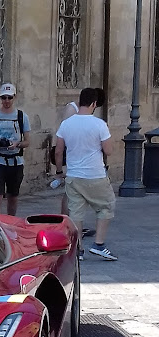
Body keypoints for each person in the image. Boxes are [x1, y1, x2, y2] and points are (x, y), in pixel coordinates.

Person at [55, 87, 117, 261]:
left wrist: (60, 171)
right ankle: (99, 244)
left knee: (76, 211)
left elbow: (58, 151)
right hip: (95, 174)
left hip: (73, 175)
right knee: (106, 206)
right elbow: (109, 150)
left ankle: (78, 249)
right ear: (94, 104)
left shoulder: (66, 124)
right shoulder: (99, 124)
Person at [54, 88, 105, 234]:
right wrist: (59, 169)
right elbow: (65, 135)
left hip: (80, 157)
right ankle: (65, 225)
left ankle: (74, 225)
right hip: (73, 156)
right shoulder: (72, 109)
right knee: (69, 193)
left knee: (74, 194)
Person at [0, 83, 31, 216]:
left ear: (14, 97)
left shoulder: (22, 117)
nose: (7, 101)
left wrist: (17, 144)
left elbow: (27, 141)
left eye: (9, 97)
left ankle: (11, 223)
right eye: (4, 98)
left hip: (16, 161)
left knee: (13, 197)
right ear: (0, 98)